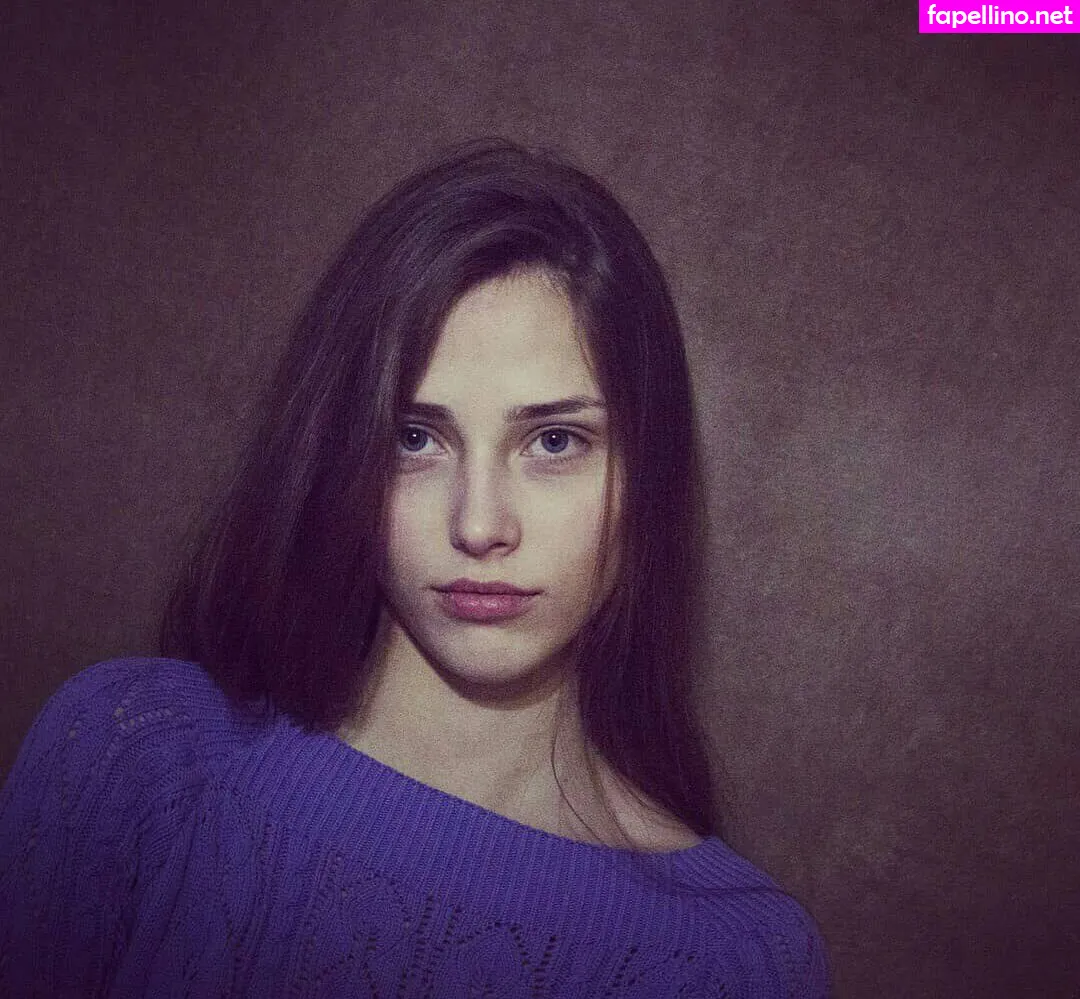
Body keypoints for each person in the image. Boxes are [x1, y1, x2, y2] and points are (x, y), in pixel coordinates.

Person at [0, 140, 830, 996]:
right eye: (415, 438)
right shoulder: (133, 761)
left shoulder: (734, 960)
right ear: (341, 453)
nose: (479, 524)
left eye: (554, 441)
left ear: (650, 474)